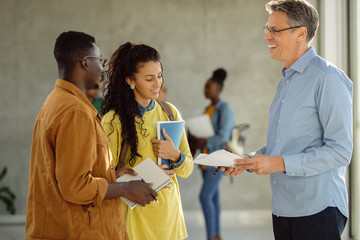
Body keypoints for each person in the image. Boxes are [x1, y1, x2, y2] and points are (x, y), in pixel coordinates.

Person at [221, 1, 353, 239]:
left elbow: (340, 152)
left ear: (301, 33)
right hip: (283, 209)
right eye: (267, 29)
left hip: (318, 210)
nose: (267, 37)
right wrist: (247, 160)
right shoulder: (287, 79)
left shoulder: (327, 78)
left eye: (275, 30)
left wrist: (278, 164)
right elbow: (283, 147)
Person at [26, 31, 157, 240]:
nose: (102, 68)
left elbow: (66, 172)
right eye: (100, 60)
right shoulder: (75, 111)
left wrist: (109, 174)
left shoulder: (55, 101)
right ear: (85, 63)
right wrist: (126, 188)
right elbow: (75, 186)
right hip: (77, 231)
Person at [101, 42, 194, 240]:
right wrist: (136, 179)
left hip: (170, 219)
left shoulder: (170, 113)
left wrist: (175, 156)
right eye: (149, 79)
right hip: (135, 221)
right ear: (130, 80)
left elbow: (187, 170)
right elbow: (102, 177)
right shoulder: (113, 121)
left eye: (159, 76)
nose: (157, 84)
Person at [188, 68, 234, 240]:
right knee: (213, 197)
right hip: (206, 159)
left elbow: (224, 135)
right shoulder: (208, 108)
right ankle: (216, 235)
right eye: (205, 86)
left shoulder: (225, 109)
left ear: (218, 88)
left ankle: (211, 237)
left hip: (218, 159)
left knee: (205, 196)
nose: (205, 90)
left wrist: (204, 141)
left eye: (208, 86)